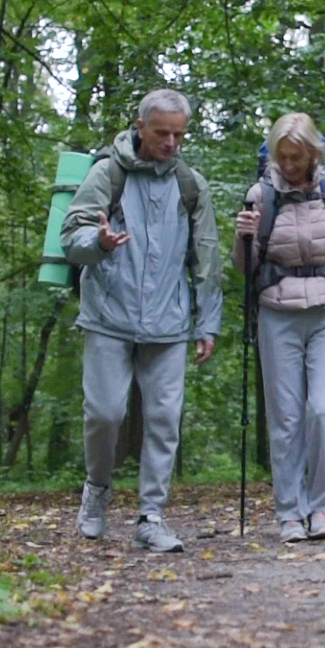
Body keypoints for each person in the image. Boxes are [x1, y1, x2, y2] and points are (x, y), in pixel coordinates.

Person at [60, 88, 223, 551]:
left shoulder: (191, 185)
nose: (171, 143)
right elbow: (70, 237)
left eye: (179, 134)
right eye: (162, 133)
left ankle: (151, 515)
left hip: (169, 323)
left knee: (163, 419)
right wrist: (100, 242)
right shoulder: (106, 174)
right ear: (140, 126)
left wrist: (207, 322)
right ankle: (96, 490)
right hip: (109, 315)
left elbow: (207, 258)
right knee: (105, 414)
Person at [233, 112, 325, 544]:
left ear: (313, 152)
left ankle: (323, 509)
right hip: (277, 310)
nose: (288, 165)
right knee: (287, 416)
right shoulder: (262, 195)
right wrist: (242, 238)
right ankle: (291, 515)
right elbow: (245, 268)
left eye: (296, 157)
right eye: (282, 157)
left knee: (324, 411)